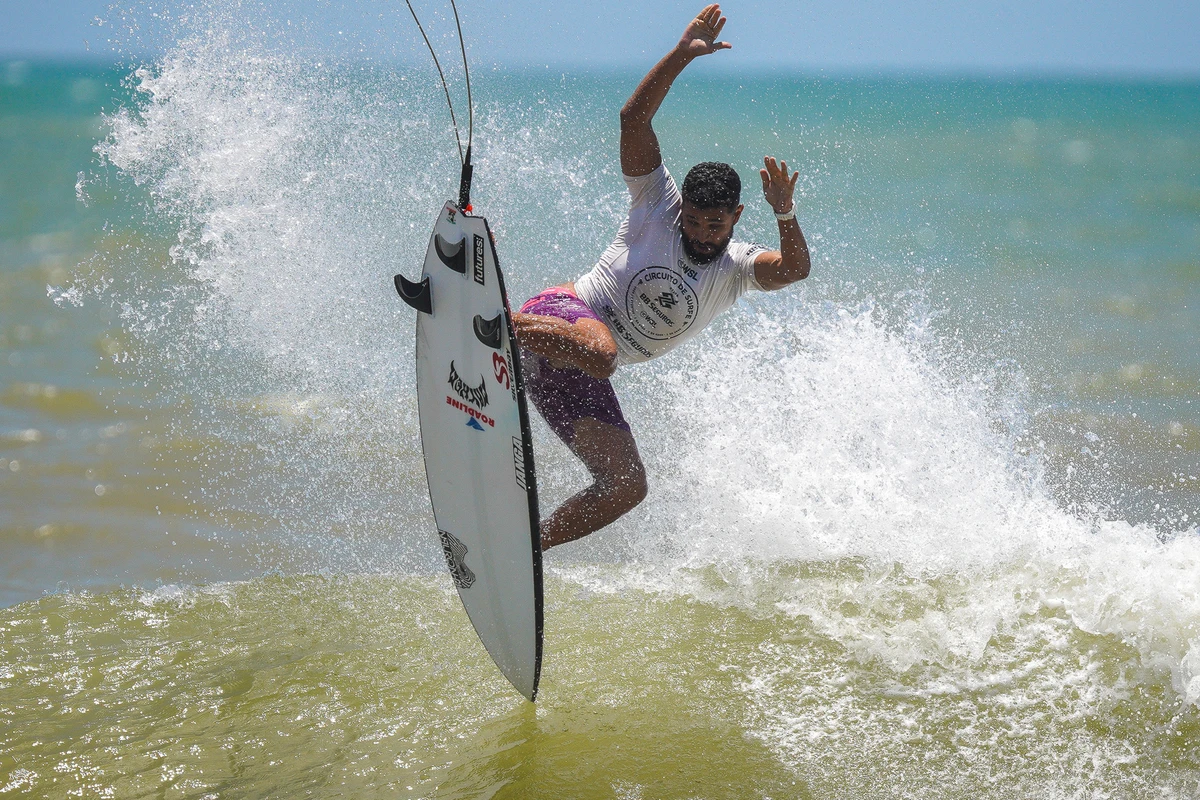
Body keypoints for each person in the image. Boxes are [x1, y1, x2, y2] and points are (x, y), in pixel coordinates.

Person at [512, 3, 811, 550]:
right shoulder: (657, 203)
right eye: (694, 221)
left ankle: (525, 546)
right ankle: (494, 323)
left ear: (736, 218)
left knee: (627, 487)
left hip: (572, 370)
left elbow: (793, 270)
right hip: (559, 318)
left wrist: (785, 214)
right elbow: (634, 121)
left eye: (713, 224)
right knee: (602, 353)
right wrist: (681, 55)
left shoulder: (736, 267)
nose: (700, 232)